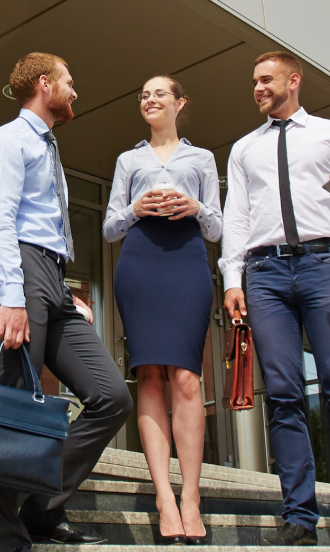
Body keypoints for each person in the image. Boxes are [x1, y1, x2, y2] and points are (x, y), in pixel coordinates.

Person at [220, 51, 330, 548]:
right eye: (253, 81)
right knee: (285, 392)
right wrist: (233, 279)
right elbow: (237, 215)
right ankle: (298, 514)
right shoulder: (243, 148)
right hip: (265, 274)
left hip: (323, 267)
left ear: (293, 81)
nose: (257, 88)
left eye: (266, 79)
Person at [0, 52, 134, 551]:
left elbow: (44, 227)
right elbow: (0, 223)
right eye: (69, 81)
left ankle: (41, 509)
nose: (75, 91)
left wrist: (63, 291)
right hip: (18, 273)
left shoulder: (48, 149)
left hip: (50, 279)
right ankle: (7, 539)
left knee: (112, 397)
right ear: (44, 84)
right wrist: (14, 296)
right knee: (11, 408)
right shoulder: (9, 141)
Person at [102, 75, 222, 544]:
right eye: (144, 95)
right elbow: (111, 226)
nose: (150, 100)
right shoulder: (128, 160)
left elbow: (217, 228)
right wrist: (137, 207)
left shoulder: (203, 158)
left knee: (187, 378)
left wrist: (194, 204)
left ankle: (190, 496)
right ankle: (164, 498)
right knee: (149, 374)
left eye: (159, 94)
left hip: (188, 261)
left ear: (179, 103)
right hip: (141, 262)